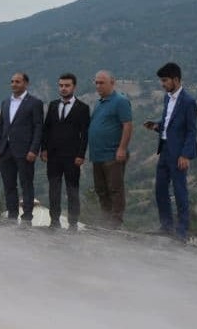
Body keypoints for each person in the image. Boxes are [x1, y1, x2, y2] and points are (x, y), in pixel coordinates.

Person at [145, 62, 197, 242]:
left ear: (176, 79)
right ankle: (166, 226)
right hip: (165, 149)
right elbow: (168, 122)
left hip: (178, 154)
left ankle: (182, 232)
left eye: (165, 80)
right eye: (162, 80)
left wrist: (186, 155)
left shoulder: (189, 102)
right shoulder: (168, 98)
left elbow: (191, 131)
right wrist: (156, 126)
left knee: (179, 190)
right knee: (160, 189)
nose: (163, 84)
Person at [40, 73, 91, 229]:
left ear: (74, 87)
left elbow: (85, 134)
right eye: (61, 85)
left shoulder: (83, 108)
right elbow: (46, 128)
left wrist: (81, 155)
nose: (63, 88)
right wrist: (44, 149)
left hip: (72, 156)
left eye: (67, 85)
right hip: (53, 156)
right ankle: (54, 221)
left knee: (72, 190)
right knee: (54, 189)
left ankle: (73, 223)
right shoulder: (53, 105)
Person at [0, 71, 44, 223]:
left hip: (25, 151)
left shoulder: (34, 103)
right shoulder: (6, 102)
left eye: (17, 82)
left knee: (26, 184)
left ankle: (27, 217)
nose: (14, 84)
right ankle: (12, 216)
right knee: (9, 185)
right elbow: (1, 126)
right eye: (12, 81)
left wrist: (34, 149)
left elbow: (38, 127)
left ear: (25, 84)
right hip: (5, 150)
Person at [87, 70, 133, 229]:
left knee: (115, 188)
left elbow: (127, 125)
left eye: (102, 82)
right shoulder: (99, 102)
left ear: (112, 82)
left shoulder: (120, 101)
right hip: (97, 155)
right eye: (96, 82)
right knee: (101, 189)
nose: (98, 85)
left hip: (113, 154)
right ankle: (105, 219)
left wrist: (122, 148)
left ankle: (116, 221)